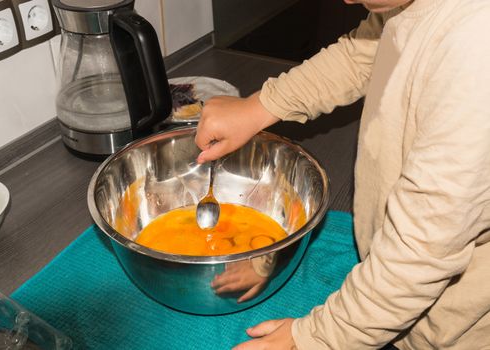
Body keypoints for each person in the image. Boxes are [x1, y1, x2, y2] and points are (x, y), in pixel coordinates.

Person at [194, 0, 490, 349]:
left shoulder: (477, 48)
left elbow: (421, 252)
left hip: (451, 331)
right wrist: (260, 107)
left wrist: (316, 336)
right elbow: (365, 51)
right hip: (395, 288)